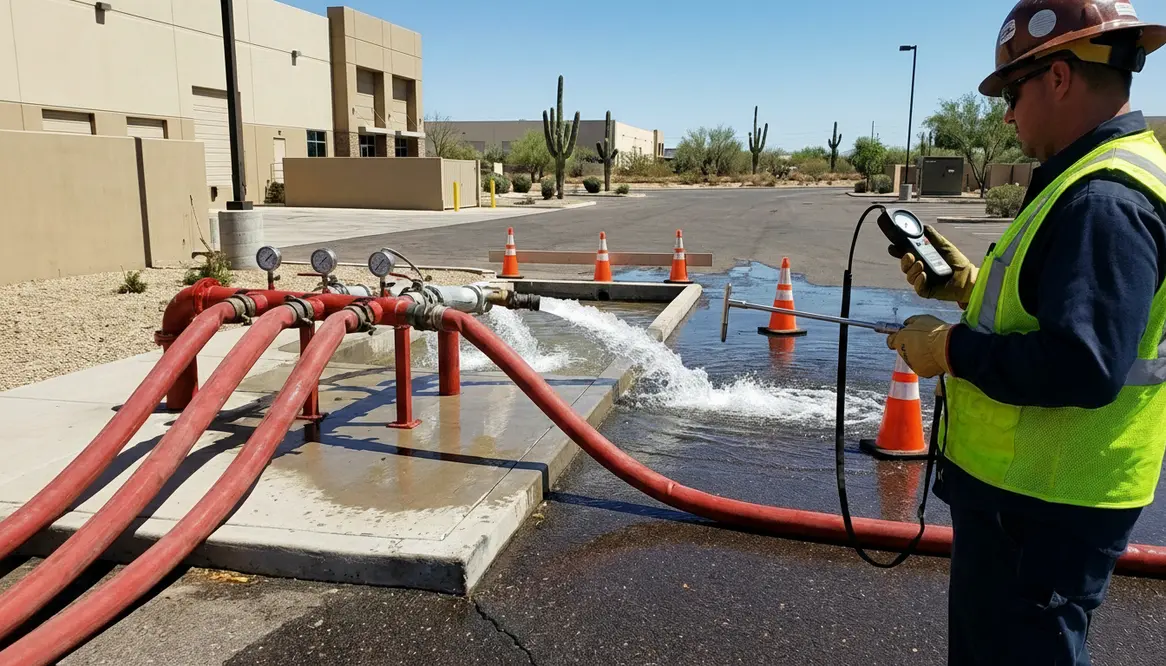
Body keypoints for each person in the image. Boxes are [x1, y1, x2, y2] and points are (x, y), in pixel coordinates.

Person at [884, 1, 1166, 664]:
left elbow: (1083, 364)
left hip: (1045, 505)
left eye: (1013, 93)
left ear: (1061, 78)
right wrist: (967, 286)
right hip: (1036, 500)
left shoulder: (1105, 198)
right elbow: (1062, 309)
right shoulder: (1095, 176)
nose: (1008, 114)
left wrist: (948, 348)